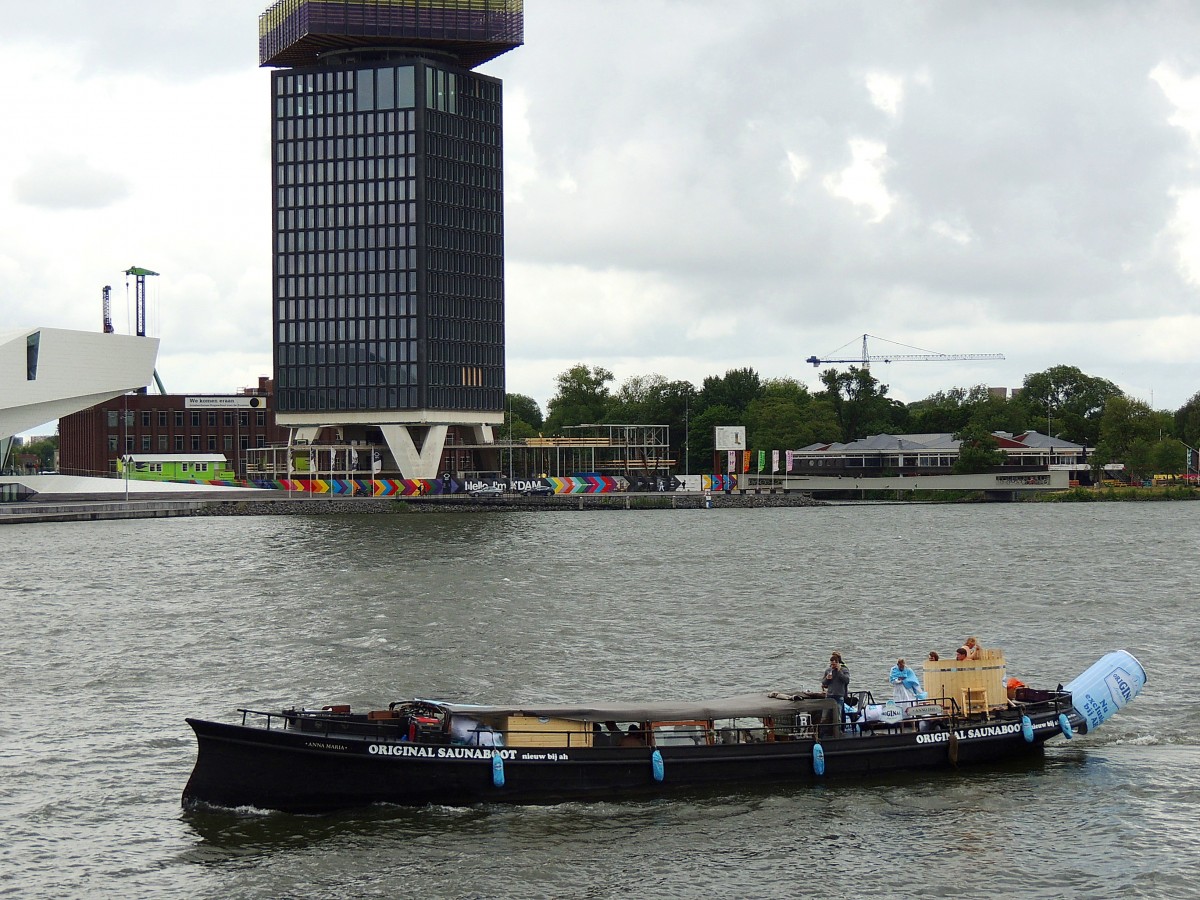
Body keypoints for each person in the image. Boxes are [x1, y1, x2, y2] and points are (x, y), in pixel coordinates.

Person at [821, 652, 851, 721]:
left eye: (834, 664)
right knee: (825, 715)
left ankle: (839, 729)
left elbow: (846, 680)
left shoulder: (844, 670)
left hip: (839, 695)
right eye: (831, 664)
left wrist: (839, 671)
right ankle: (825, 729)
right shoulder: (828, 670)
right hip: (829, 695)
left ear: (838, 663)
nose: (832, 666)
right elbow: (823, 683)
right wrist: (827, 679)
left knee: (838, 716)